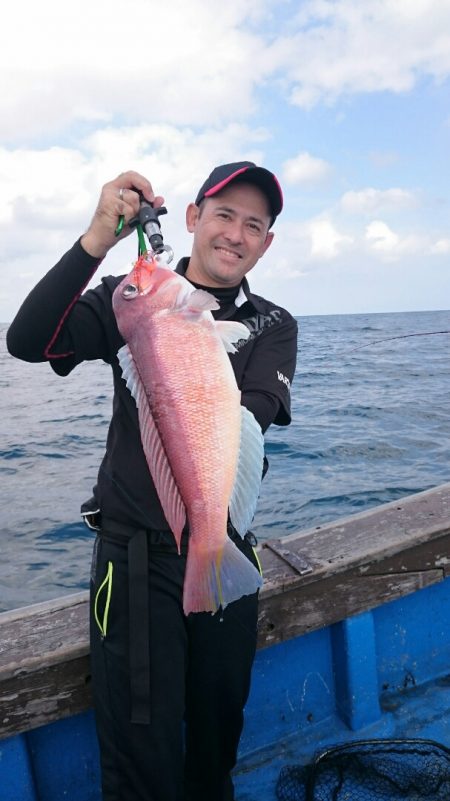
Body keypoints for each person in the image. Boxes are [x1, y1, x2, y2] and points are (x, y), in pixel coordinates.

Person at [7, 161, 298, 801]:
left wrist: (190, 340)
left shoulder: (273, 325)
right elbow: (27, 341)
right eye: (223, 215)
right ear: (192, 219)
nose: (235, 234)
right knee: (142, 757)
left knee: (216, 738)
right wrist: (96, 240)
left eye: (254, 224)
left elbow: (249, 421)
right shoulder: (129, 299)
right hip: (132, 563)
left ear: (267, 242)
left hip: (222, 544)